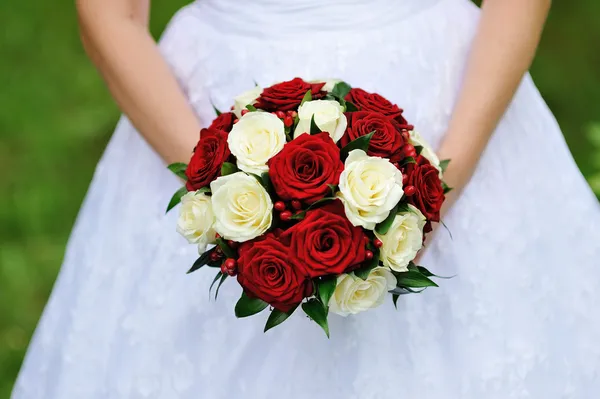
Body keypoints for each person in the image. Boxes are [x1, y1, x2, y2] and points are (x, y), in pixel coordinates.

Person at [13, 0, 600, 397]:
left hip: (448, 92)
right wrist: (219, 176)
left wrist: (441, 175)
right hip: (208, 97)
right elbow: (109, 14)